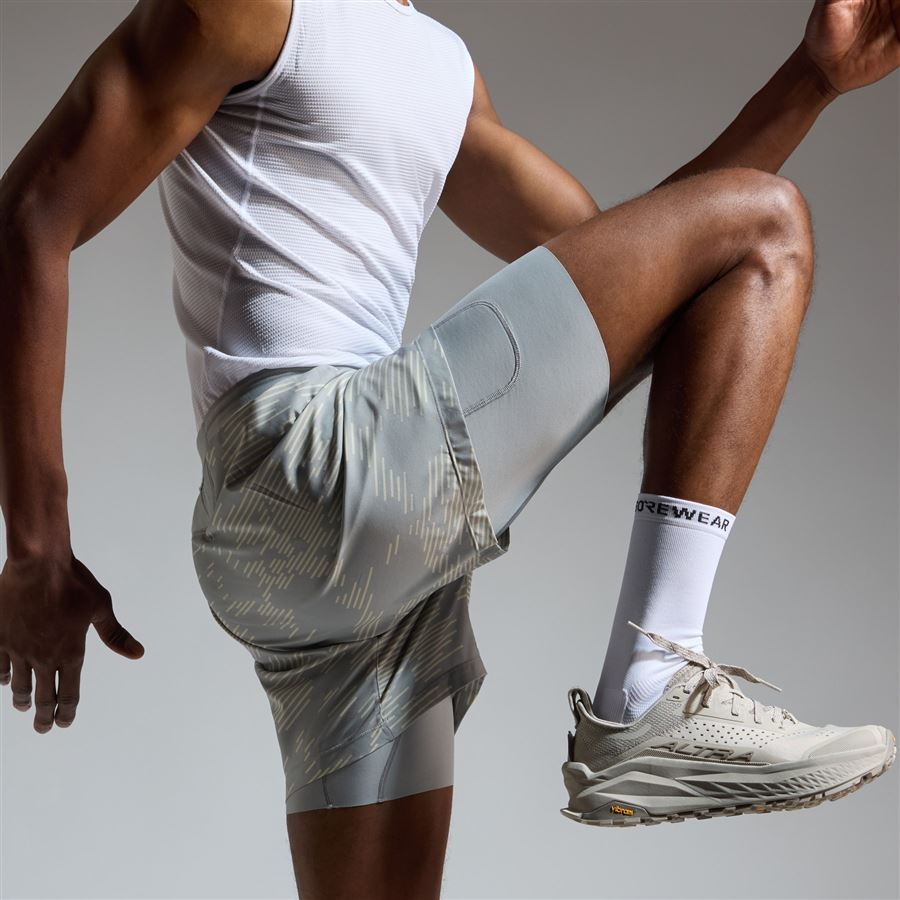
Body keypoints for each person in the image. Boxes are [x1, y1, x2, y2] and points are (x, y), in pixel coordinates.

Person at [0, 0, 896, 896]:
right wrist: (37, 550)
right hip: (318, 462)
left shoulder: (439, 67)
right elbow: (30, 217)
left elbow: (655, 258)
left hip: (328, 559)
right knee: (768, 224)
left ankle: (649, 690)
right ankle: (651, 680)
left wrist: (812, 79)